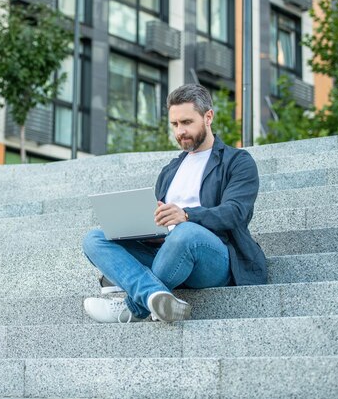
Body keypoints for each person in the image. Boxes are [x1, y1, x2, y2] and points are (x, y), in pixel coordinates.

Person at [83, 83, 267, 323]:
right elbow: (163, 219)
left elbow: (235, 213)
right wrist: (148, 232)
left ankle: (131, 306)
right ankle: (154, 296)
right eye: (175, 124)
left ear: (208, 116)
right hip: (167, 253)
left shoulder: (237, 162)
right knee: (94, 238)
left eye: (187, 122)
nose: (180, 131)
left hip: (214, 258)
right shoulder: (170, 170)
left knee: (186, 233)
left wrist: (187, 216)